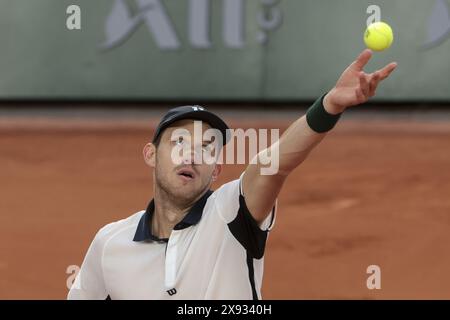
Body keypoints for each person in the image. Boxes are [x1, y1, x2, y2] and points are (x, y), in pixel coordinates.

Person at [68, 49, 397, 299]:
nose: (193, 153)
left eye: (208, 147)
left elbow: (276, 163)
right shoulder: (110, 243)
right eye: (179, 141)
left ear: (216, 171)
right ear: (150, 155)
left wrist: (329, 106)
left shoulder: (231, 212)